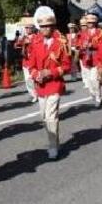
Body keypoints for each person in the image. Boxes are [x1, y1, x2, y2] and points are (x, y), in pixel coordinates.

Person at [28, 10, 71, 160]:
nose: (45, 29)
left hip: (54, 84)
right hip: (40, 86)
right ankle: (55, 141)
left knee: (51, 116)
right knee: (44, 116)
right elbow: (31, 65)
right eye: (42, 26)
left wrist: (50, 73)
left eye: (48, 26)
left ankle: (53, 146)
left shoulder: (61, 43)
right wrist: (36, 75)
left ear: (53, 27)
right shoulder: (35, 43)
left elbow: (66, 66)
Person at [82, 14, 102, 107]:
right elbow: (79, 44)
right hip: (86, 59)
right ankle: (95, 94)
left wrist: (93, 45)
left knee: (94, 79)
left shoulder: (100, 33)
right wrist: (82, 46)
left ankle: (99, 98)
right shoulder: (83, 33)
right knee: (89, 82)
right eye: (88, 22)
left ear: (95, 23)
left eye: (91, 22)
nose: (89, 24)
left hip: (96, 58)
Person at [14, 17, 38, 102]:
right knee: (27, 79)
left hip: (33, 61)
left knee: (32, 78)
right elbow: (16, 45)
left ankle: (36, 94)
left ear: (32, 28)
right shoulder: (24, 37)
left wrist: (30, 42)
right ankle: (32, 94)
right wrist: (18, 39)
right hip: (25, 61)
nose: (27, 29)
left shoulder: (36, 37)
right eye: (26, 28)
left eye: (29, 28)